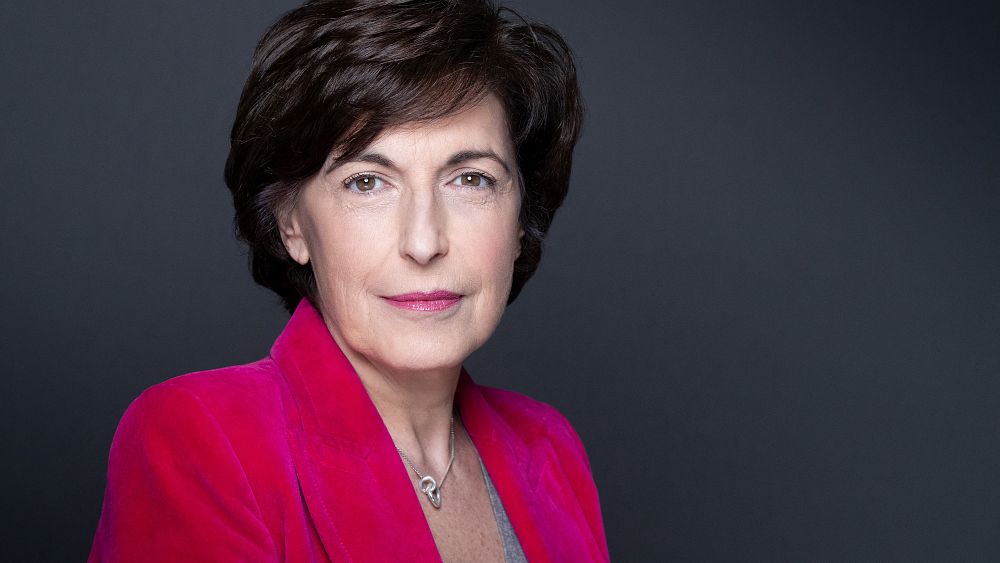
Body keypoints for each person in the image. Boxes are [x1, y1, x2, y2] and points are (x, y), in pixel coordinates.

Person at [88, 0, 608, 561]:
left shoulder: (549, 448)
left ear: (520, 220)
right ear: (292, 224)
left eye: (471, 179)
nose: (424, 242)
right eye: (367, 182)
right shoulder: (200, 440)